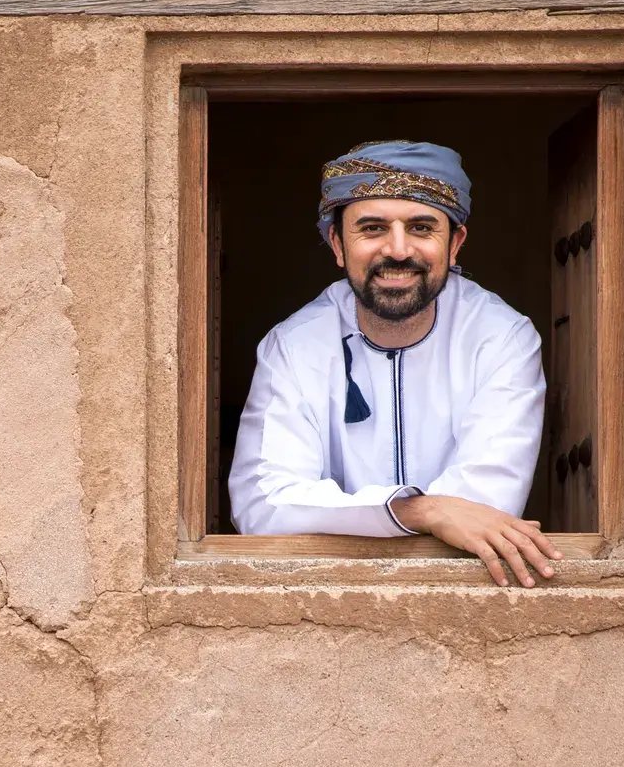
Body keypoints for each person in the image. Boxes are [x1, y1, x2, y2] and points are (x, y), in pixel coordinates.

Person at [227, 139, 561, 587]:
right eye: (372, 228)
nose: (399, 250)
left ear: (455, 243)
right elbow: (262, 504)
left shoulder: (502, 337)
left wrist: (354, 517)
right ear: (337, 244)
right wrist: (420, 509)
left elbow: (487, 505)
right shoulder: (293, 346)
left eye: (422, 227)